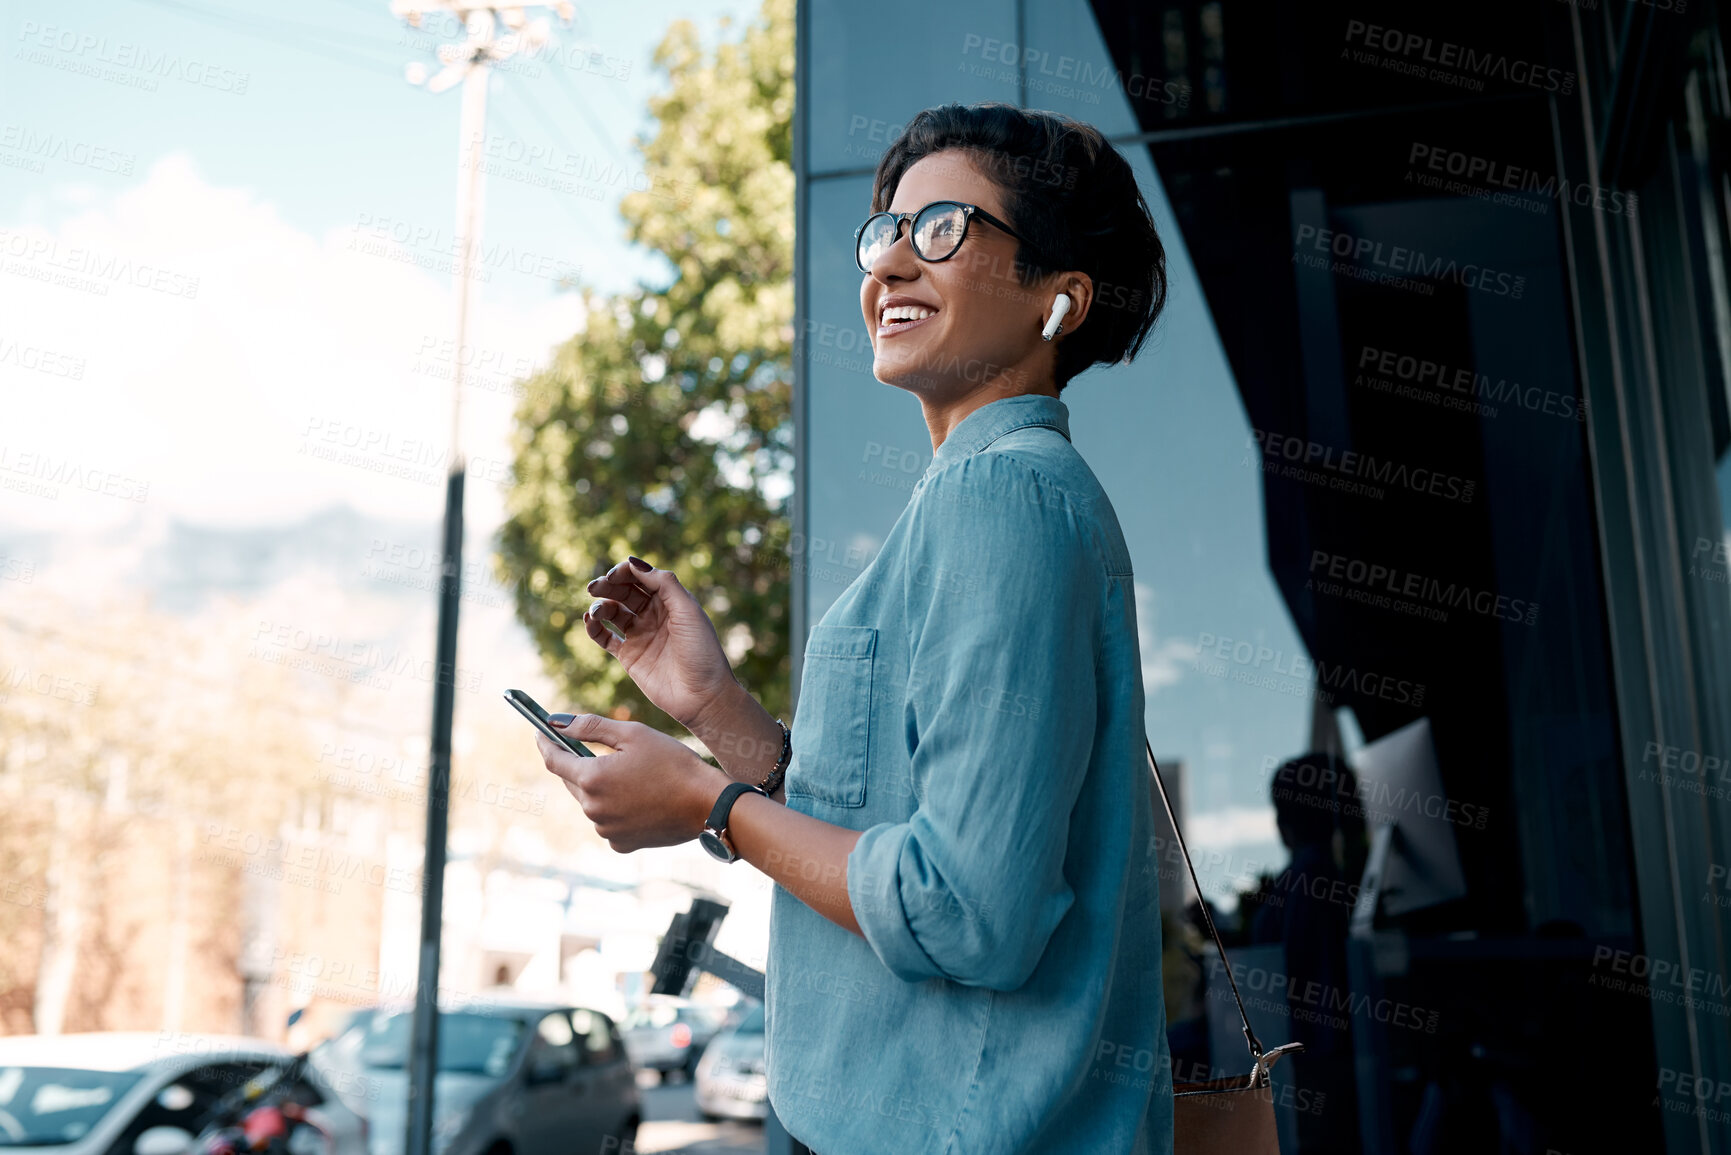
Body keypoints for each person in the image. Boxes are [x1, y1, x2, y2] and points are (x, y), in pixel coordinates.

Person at [534, 101, 1173, 1154]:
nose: (893, 267)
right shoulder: (966, 497)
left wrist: (707, 801)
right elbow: (882, 835)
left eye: (944, 231)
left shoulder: (1005, 499)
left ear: (1059, 299)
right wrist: (710, 704)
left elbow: (970, 911)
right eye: (886, 233)